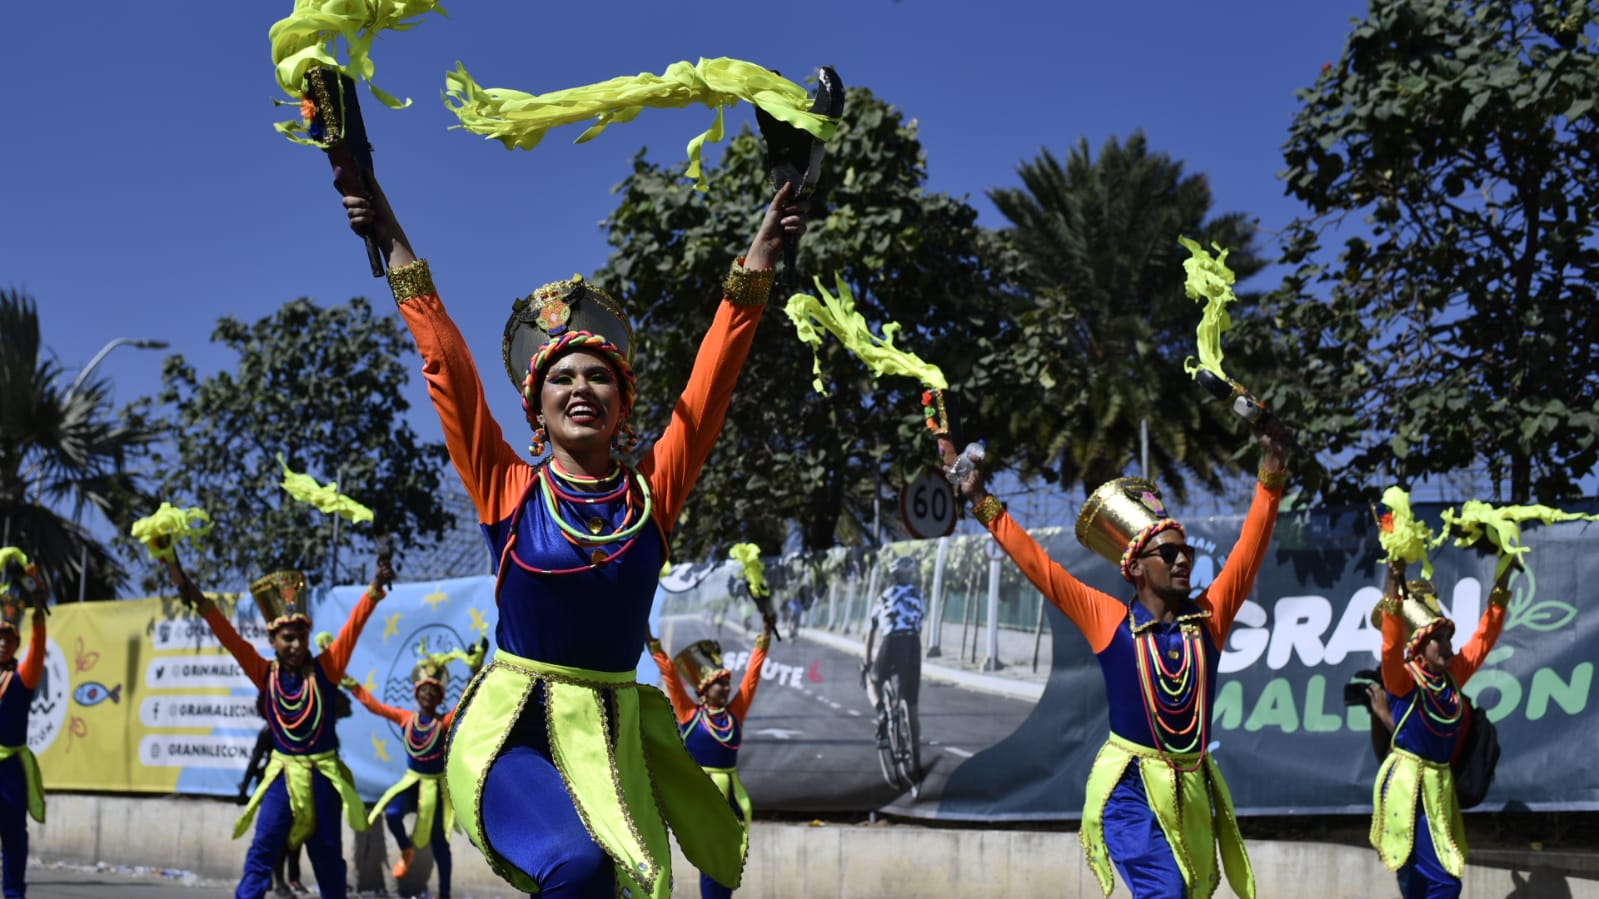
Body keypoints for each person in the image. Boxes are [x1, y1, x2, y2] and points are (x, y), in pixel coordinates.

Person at [337, 167, 806, 898]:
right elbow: (446, 364)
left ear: (623, 403)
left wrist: (761, 256)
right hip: (512, 735)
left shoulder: (652, 492)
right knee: (579, 865)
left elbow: (713, 380)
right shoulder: (507, 489)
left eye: (598, 376)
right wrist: (388, 231)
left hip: (614, 733)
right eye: (562, 377)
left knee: (617, 882)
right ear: (536, 407)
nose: (581, 387)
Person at [944, 426, 1289, 899]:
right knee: (1164, 892)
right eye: (1168, 553)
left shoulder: (1208, 618)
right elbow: (1041, 569)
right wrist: (982, 500)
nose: (1182, 560)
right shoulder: (1109, 619)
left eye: (1185, 551)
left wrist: (1271, 469)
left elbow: (1251, 548)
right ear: (1136, 567)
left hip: (1191, 786)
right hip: (1130, 790)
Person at [164, 550, 393, 899]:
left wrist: (376, 586)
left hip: (322, 776)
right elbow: (227, 634)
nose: (297, 645)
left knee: (328, 857)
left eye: (301, 636)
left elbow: (354, 626)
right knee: (263, 848)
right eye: (288, 638)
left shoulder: (327, 668)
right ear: (272, 641)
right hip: (282, 777)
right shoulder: (264, 673)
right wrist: (189, 588)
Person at [1369, 559, 1511, 898]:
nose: (1448, 646)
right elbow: (1390, 648)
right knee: (1444, 882)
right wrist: (1392, 585)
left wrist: (1502, 581)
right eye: (1440, 640)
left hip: (1440, 786)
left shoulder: (1451, 677)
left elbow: (1484, 638)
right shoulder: (1403, 682)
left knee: (1418, 883)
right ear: (1419, 646)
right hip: (1410, 785)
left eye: (1448, 638)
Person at [343, 640, 486, 899]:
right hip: (412, 783)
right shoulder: (406, 719)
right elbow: (375, 707)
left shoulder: (443, 722)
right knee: (393, 813)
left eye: (433, 692)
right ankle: (406, 848)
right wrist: (353, 685)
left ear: (440, 697)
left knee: (440, 844)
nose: (427, 695)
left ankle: (444, 894)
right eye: (423, 691)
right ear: (416, 695)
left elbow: (467, 701)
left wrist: (474, 669)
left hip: (436, 789)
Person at [646, 622, 773, 899]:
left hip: (729, 796)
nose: (728, 688)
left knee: (727, 853)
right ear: (704, 689)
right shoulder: (689, 714)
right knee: (709, 856)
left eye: (727, 683)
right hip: (701, 794)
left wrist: (762, 642)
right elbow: (670, 676)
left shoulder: (734, 714)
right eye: (721, 684)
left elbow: (751, 678)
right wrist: (653, 644)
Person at [0, 563, 49, 899]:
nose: (3, 644)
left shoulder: (23, 677)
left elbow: (39, 645)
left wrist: (38, 613)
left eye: (8, 639)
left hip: (10, 772)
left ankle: (14, 894)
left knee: (14, 837)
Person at [861, 556, 924, 775]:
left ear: (892, 576)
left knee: (873, 680)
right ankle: (916, 760)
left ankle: (881, 712)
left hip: (891, 643)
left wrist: (866, 663)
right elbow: (918, 623)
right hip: (913, 645)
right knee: (912, 707)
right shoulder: (919, 594)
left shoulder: (883, 597)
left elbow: (870, 631)